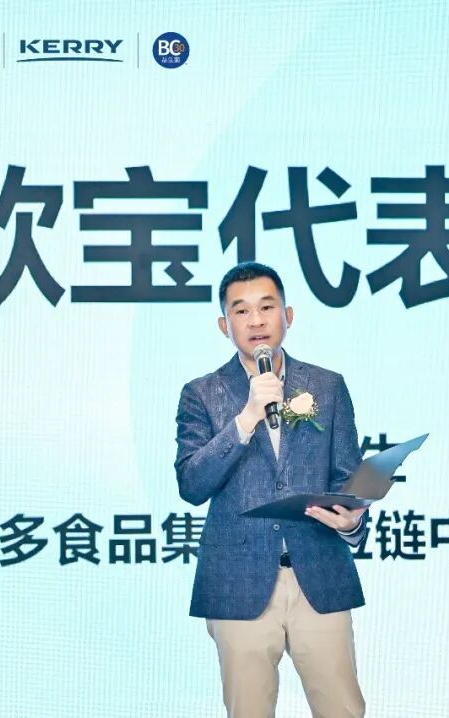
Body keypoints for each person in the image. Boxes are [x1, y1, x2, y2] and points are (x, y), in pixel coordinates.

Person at [174, 261, 369, 718]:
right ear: (224, 325)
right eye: (241, 311)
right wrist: (245, 419)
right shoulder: (201, 394)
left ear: (288, 315)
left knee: (343, 710)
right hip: (238, 581)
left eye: (267, 307)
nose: (256, 320)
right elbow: (191, 484)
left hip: (319, 576)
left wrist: (352, 522)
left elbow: (348, 479)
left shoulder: (327, 386)